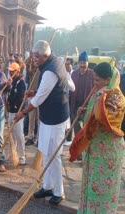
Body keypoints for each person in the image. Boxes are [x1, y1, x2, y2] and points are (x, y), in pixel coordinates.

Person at [14, 40, 70, 205]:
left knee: (54, 156)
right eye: (33, 56)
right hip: (48, 117)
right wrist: (36, 91)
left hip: (55, 118)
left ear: (46, 55)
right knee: (46, 153)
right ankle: (47, 186)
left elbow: (38, 100)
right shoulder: (53, 62)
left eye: (37, 57)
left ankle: (59, 192)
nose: (34, 60)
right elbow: (47, 90)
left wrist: (22, 113)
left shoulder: (50, 71)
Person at [69, 62, 125, 213]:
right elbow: (93, 114)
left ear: (108, 80)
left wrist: (97, 100)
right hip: (94, 151)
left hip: (108, 153)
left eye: (98, 80)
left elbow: (103, 119)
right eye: (94, 79)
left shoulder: (117, 98)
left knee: (103, 192)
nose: (95, 83)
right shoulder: (100, 93)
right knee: (90, 187)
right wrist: (85, 110)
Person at [70, 51, 94, 141]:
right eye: (81, 63)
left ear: (88, 63)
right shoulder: (74, 74)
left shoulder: (92, 74)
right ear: (78, 64)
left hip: (87, 107)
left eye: (84, 63)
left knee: (87, 129)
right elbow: (71, 90)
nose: (82, 65)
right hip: (75, 107)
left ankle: (86, 148)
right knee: (77, 131)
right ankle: (79, 149)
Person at [7, 62, 26, 164]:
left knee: (19, 135)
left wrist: (11, 99)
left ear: (17, 71)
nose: (10, 73)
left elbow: (20, 98)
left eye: (12, 71)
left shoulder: (20, 82)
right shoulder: (12, 82)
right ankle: (13, 154)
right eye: (10, 71)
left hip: (18, 112)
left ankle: (22, 156)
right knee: (12, 135)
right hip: (11, 111)